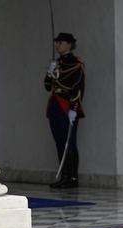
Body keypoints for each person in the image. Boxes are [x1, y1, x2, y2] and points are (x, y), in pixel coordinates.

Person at [44, 33, 85, 189]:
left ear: (69, 45)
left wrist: (74, 108)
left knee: (70, 142)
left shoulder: (76, 63)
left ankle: (73, 178)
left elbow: (79, 88)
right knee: (59, 142)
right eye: (57, 42)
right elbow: (48, 86)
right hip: (54, 104)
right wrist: (50, 73)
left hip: (67, 105)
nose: (58, 45)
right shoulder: (55, 63)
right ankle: (64, 176)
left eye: (61, 42)